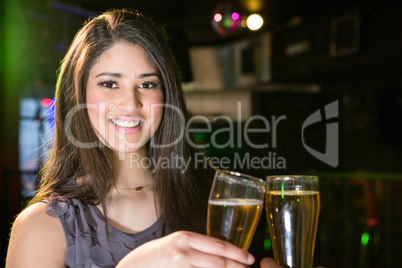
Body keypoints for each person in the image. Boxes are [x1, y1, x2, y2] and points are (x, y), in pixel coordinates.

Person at [6, 9, 279, 268]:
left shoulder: (214, 200)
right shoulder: (41, 226)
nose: (131, 103)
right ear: (77, 95)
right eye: (110, 84)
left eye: (147, 84)